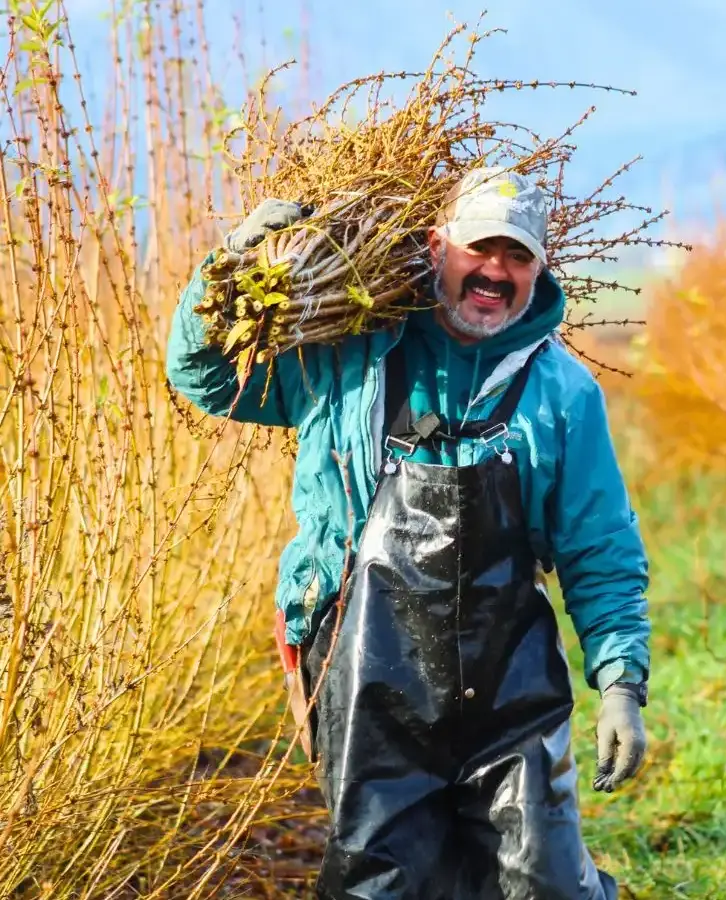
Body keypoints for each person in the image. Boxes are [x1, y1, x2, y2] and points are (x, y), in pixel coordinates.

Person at [166, 166, 651, 900]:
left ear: (539, 270)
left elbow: (600, 549)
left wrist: (620, 681)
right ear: (436, 248)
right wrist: (230, 269)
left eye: (517, 256)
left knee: (543, 883)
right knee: (382, 879)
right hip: (363, 674)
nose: (496, 271)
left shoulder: (560, 392)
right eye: (480, 249)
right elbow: (202, 375)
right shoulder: (345, 359)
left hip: (509, 683)